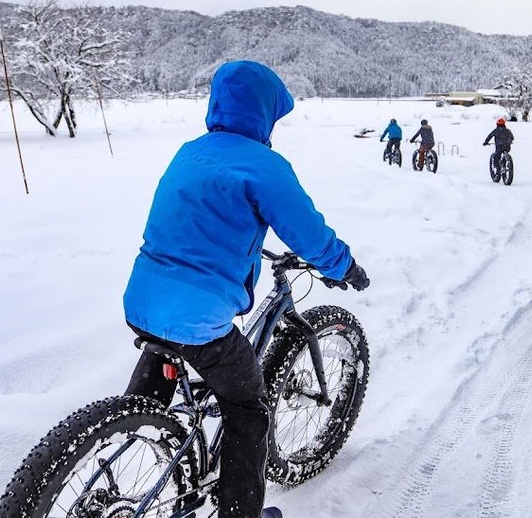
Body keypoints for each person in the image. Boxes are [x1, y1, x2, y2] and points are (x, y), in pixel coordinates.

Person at [122, 60, 370, 518]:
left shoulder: (189, 151)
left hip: (141, 300)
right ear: (264, 112)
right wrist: (343, 266)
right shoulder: (264, 166)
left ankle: (124, 438)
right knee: (249, 407)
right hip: (198, 315)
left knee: (168, 351)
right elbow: (308, 233)